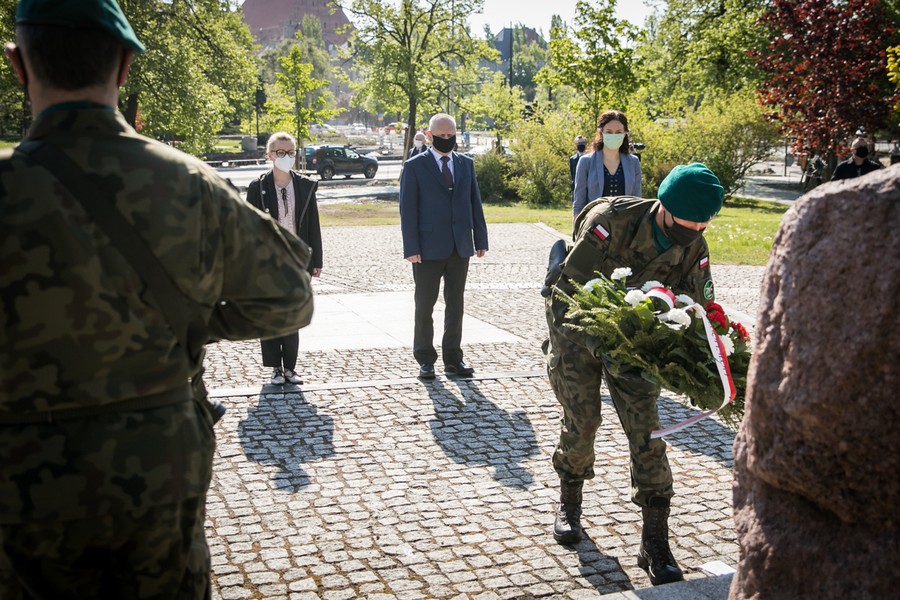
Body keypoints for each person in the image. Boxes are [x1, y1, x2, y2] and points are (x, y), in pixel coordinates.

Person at [0, 1, 314, 598]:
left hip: (20, 478)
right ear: (123, 66)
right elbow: (290, 299)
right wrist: (198, 322)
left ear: (17, 65)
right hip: (157, 467)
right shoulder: (188, 183)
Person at [544, 163, 724, 586]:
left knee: (648, 433)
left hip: (638, 343)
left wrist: (713, 360)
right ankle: (570, 502)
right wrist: (599, 344)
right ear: (663, 206)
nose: (693, 230)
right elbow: (564, 296)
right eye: (686, 222)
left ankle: (654, 542)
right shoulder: (610, 224)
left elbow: (700, 309)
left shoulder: (693, 243)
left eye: (702, 224)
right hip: (579, 332)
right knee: (583, 420)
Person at [400, 112, 489, 379]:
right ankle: (425, 359)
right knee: (424, 305)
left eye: (451, 135)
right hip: (426, 249)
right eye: (441, 135)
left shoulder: (466, 164)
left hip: (460, 246)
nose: (447, 139)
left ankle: (453, 358)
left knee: (456, 305)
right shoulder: (415, 166)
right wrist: (411, 247)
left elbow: (475, 202)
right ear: (430, 136)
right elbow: (408, 210)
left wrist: (480, 239)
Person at [246, 132, 323, 386]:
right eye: (280, 152)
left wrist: (316, 259)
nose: (286, 157)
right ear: (269, 155)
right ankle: (274, 368)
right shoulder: (259, 187)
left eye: (290, 152)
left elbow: (313, 224)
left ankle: (290, 367)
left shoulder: (304, 186)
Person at [572, 110, 642, 220]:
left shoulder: (633, 162)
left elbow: (637, 202)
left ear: (625, 134)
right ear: (601, 132)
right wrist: (577, 232)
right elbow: (579, 204)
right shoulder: (586, 162)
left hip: (625, 229)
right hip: (594, 228)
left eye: (618, 132)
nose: (614, 135)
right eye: (609, 132)